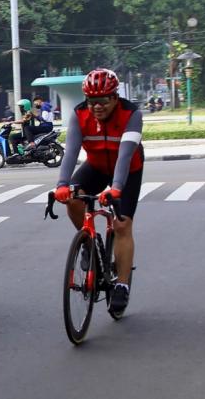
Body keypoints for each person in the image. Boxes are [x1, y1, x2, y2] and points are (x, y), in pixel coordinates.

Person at [53, 68, 144, 316]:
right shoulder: (79, 114)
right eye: (92, 102)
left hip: (126, 171)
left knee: (122, 224)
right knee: (72, 198)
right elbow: (70, 152)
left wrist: (116, 189)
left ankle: (122, 285)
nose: (97, 107)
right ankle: (88, 245)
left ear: (115, 97)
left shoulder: (131, 114)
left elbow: (125, 156)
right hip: (95, 166)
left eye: (103, 101)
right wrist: (62, 185)